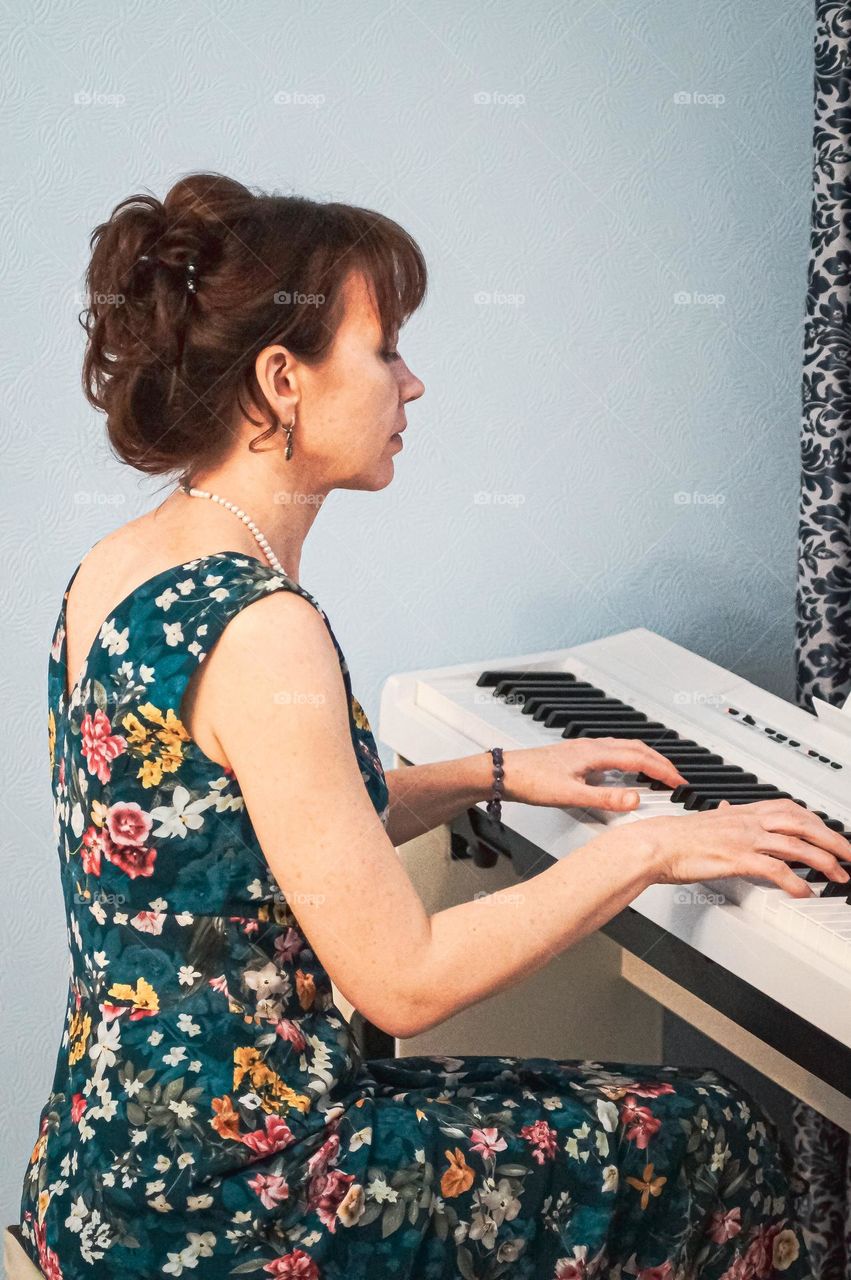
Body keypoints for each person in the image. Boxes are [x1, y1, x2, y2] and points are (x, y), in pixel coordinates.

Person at [17, 171, 846, 1280]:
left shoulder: (119, 569)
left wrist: (487, 772)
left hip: (112, 1167)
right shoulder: (262, 627)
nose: (413, 382)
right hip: (246, 1207)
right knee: (708, 1132)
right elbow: (400, 982)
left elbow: (234, 837)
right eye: (383, 349)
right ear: (282, 382)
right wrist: (644, 846)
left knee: (638, 1112)